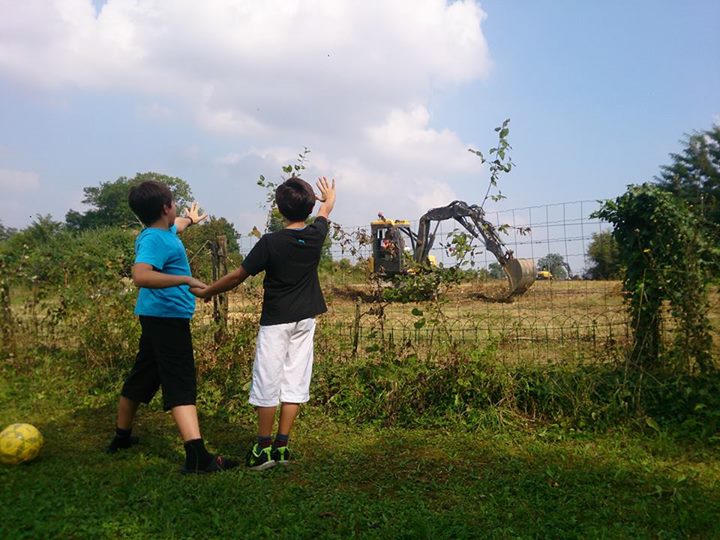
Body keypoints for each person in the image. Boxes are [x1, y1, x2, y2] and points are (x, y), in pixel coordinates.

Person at [193, 176, 336, 470]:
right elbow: (326, 212)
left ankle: (262, 449)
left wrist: (208, 291)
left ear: (278, 209)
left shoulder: (270, 243)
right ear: (309, 208)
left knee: (267, 380)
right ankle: (282, 447)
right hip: (305, 320)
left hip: (276, 322)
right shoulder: (315, 235)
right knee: (295, 380)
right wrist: (328, 197)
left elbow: (237, 276)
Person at [105, 180, 239, 474]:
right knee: (180, 381)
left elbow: (177, 224)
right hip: (166, 319)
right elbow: (141, 275)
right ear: (165, 208)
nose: (176, 208)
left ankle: (121, 437)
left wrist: (191, 218)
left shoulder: (161, 231)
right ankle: (197, 457)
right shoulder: (156, 240)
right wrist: (185, 280)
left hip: (157, 317)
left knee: (143, 375)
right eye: (174, 204)